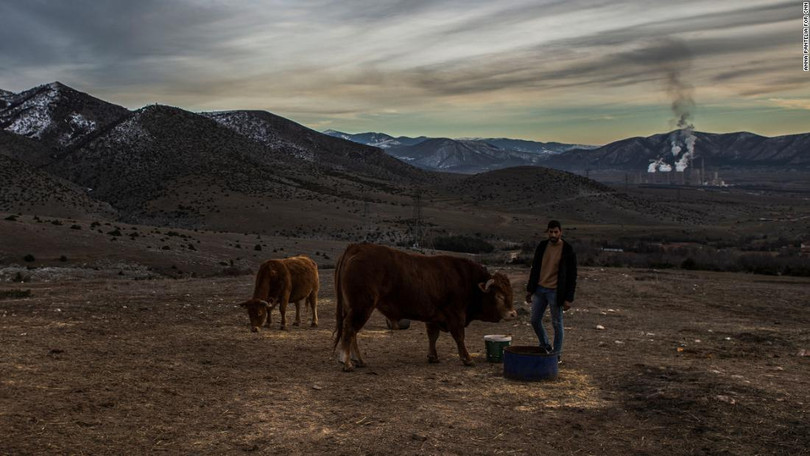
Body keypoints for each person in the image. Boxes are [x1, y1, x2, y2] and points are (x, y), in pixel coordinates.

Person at [525, 220, 577, 363]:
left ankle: (556, 354)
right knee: (535, 320)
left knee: (557, 323)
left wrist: (569, 298)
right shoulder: (542, 246)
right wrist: (530, 290)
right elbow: (535, 268)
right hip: (540, 289)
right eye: (551, 232)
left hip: (555, 291)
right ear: (547, 232)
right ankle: (545, 345)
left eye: (556, 232)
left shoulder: (567, 249)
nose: (553, 234)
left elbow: (572, 276)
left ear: (560, 232)